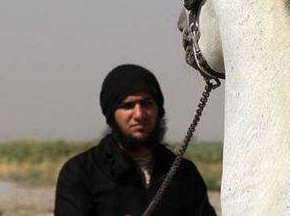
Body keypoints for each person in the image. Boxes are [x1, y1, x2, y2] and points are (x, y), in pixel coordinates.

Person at [55, 64, 216, 216]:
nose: (139, 115)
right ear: (112, 115)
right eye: (128, 105)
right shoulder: (80, 172)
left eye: (146, 104)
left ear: (158, 110)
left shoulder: (183, 173)